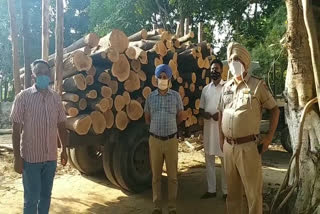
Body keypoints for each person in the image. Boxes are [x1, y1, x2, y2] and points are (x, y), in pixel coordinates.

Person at [218, 42, 280, 214]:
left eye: (237, 59)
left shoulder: (257, 86)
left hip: (248, 148)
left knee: (253, 193)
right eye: (231, 60)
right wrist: (221, 139)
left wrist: (268, 139)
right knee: (232, 194)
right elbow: (221, 114)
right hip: (229, 148)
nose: (233, 63)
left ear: (245, 63)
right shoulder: (226, 87)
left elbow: (275, 110)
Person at [10, 59, 68, 214]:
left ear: (50, 75)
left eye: (46, 73)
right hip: (31, 160)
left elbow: (61, 125)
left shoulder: (55, 98)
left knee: (46, 196)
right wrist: (17, 158)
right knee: (31, 199)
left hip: (50, 158)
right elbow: (16, 130)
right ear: (34, 76)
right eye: (39, 73)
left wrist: (64, 149)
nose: (43, 75)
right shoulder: (23, 97)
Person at [144, 64, 184, 214]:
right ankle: (157, 206)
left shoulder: (176, 96)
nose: (162, 79)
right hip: (155, 141)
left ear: (169, 78)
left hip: (171, 140)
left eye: (165, 77)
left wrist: (170, 125)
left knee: (173, 176)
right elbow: (147, 118)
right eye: (160, 77)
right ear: (155, 79)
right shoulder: (150, 97)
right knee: (156, 176)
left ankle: (172, 207)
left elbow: (180, 116)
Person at [199, 59, 227, 199]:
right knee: (209, 160)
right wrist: (207, 115)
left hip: (222, 130)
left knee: (224, 162)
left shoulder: (227, 87)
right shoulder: (206, 89)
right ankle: (211, 190)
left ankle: (226, 191)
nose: (213, 71)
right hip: (209, 129)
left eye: (216, 69)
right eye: (212, 69)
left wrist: (220, 115)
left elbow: (230, 107)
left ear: (222, 70)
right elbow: (201, 109)